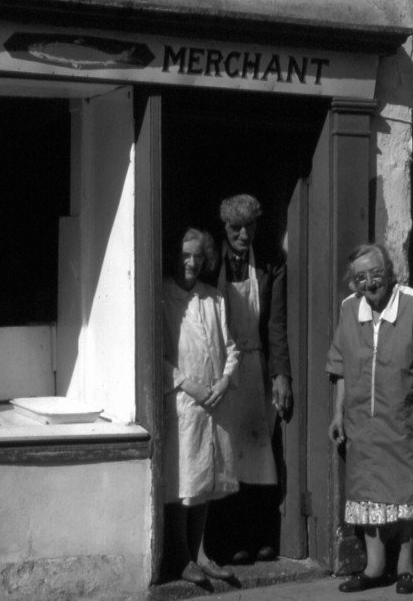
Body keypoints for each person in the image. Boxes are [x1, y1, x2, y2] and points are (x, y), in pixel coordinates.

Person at [327, 243, 413, 595]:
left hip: (406, 417)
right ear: (353, 283)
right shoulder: (349, 309)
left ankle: (406, 567)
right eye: (361, 278)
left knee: (410, 487)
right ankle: (375, 567)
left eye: (376, 274)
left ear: (390, 272)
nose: (370, 283)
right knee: (368, 489)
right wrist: (337, 413)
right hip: (362, 419)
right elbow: (340, 365)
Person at [211, 193, 293, 564]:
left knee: (261, 453)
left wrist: (281, 375)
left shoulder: (271, 262)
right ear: (224, 228)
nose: (243, 235)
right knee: (228, 455)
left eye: (249, 227)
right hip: (222, 368)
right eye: (235, 228)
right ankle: (230, 541)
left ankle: (263, 537)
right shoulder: (213, 261)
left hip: (257, 364)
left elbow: (275, 324)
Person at [162, 227, 241, 584]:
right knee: (183, 481)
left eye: (197, 255)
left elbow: (232, 348)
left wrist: (224, 381)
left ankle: (201, 552)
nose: (191, 262)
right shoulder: (162, 296)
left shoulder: (213, 299)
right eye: (184, 255)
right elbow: (155, 355)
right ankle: (180, 555)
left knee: (205, 480)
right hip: (182, 404)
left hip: (214, 403)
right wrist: (186, 384)